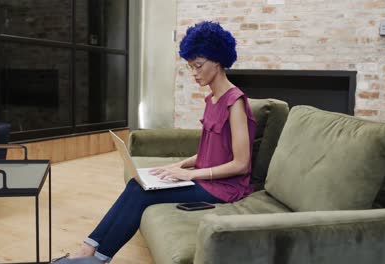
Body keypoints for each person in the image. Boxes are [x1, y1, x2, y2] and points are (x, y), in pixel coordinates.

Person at [52, 21, 257, 264]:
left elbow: (241, 164)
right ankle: (88, 250)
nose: (194, 73)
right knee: (137, 183)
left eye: (198, 66)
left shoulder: (235, 102)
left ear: (218, 60)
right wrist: (179, 166)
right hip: (206, 179)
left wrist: (191, 175)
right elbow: (209, 151)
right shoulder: (212, 99)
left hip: (224, 188)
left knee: (142, 193)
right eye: (191, 67)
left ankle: (97, 258)